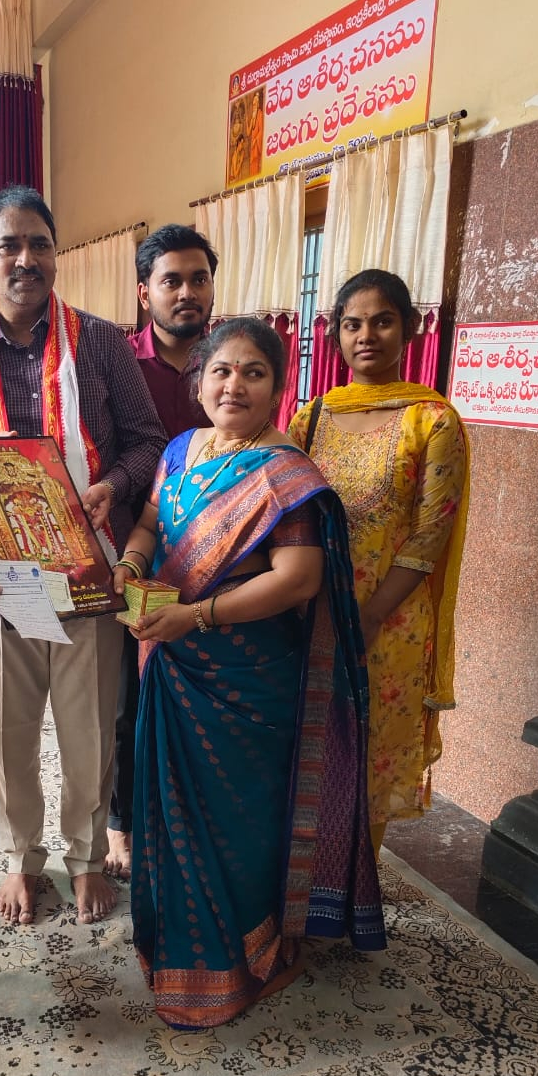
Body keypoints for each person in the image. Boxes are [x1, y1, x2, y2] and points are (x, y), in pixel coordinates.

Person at [115, 317, 384, 1030]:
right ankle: (183, 948)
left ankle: (251, 955)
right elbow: (150, 522)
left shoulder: (285, 474)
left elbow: (298, 579)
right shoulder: (179, 448)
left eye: (253, 372)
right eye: (221, 371)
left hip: (246, 677)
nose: (234, 385)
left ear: (276, 387)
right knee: (173, 810)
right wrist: (131, 562)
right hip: (171, 660)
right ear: (199, 381)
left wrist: (196, 616)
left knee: (241, 819)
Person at [0, 185, 165, 928]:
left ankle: (86, 858)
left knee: (89, 728)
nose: (26, 259)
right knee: (10, 730)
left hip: (88, 566)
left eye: (40, 244)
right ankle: (21, 858)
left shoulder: (102, 344)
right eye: (10, 246)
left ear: (55, 255)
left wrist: (112, 486)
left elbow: (147, 442)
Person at [289, 269, 470, 858]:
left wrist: (368, 617)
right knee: (306, 746)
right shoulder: (310, 419)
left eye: (383, 321)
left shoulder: (433, 421)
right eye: (353, 324)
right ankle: (300, 879)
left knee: (369, 752)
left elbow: (429, 535)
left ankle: (353, 887)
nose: (367, 335)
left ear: (410, 328)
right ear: (336, 335)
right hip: (309, 610)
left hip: (388, 622)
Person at [106, 224, 217, 880]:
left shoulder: (230, 361)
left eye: (198, 278)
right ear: (145, 292)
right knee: (129, 701)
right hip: (139, 558)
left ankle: (193, 819)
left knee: (203, 699)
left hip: (220, 564)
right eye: (171, 280)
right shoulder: (120, 365)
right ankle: (121, 822)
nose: (186, 292)